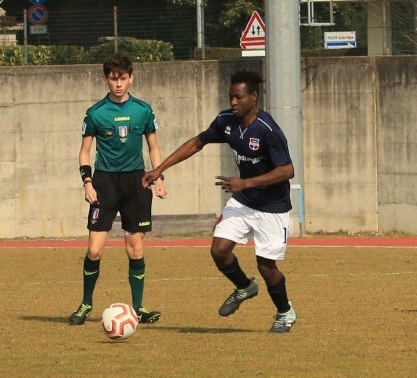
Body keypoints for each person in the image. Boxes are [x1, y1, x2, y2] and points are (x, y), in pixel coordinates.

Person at [142, 70, 297, 333]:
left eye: (239, 97)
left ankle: (285, 312)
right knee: (219, 250)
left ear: (253, 97)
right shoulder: (226, 121)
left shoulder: (268, 130)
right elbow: (197, 143)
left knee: (266, 266)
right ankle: (244, 286)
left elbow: (287, 171)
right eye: (230, 97)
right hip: (243, 201)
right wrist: (160, 169)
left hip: (273, 208)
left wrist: (244, 182)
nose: (233, 102)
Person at [69, 52, 167, 325]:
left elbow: (154, 146)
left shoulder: (143, 110)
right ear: (106, 80)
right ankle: (86, 303)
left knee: (135, 249)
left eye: (123, 78)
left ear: (131, 78)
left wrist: (159, 177)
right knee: (95, 250)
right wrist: (87, 183)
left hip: (137, 182)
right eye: (113, 79)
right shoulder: (95, 114)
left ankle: (138, 308)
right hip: (105, 183)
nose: (119, 84)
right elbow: (84, 152)